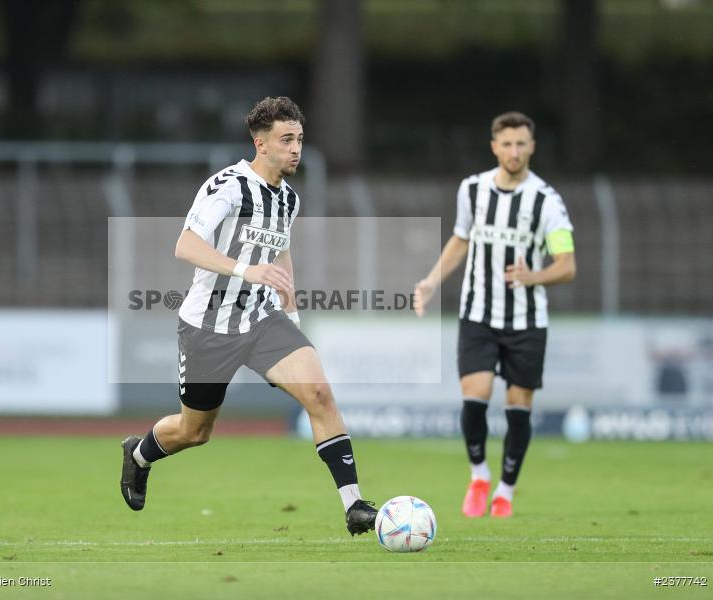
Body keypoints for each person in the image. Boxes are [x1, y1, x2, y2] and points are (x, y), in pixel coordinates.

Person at [120, 96, 378, 535]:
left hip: (262, 321)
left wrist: (291, 315)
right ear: (260, 143)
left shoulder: (288, 199)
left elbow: (280, 254)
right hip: (208, 327)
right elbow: (185, 245)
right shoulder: (227, 187)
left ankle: (354, 506)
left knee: (319, 395)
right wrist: (246, 269)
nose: (296, 148)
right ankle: (139, 454)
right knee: (195, 431)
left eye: (299, 139)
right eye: (286, 140)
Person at [413, 112, 576, 518]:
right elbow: (461, 239)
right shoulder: (472, 190)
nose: (514, 151)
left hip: (526, 321)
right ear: (494, 147)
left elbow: (567, 264)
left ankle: (505, 489)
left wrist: (533, 275)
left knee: (519, 405)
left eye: (521, 144)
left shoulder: (546, 202)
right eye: (507, 144)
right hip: (478, 314)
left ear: (532, 147)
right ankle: (479, 475)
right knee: (476, 395)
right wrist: (431, 281)